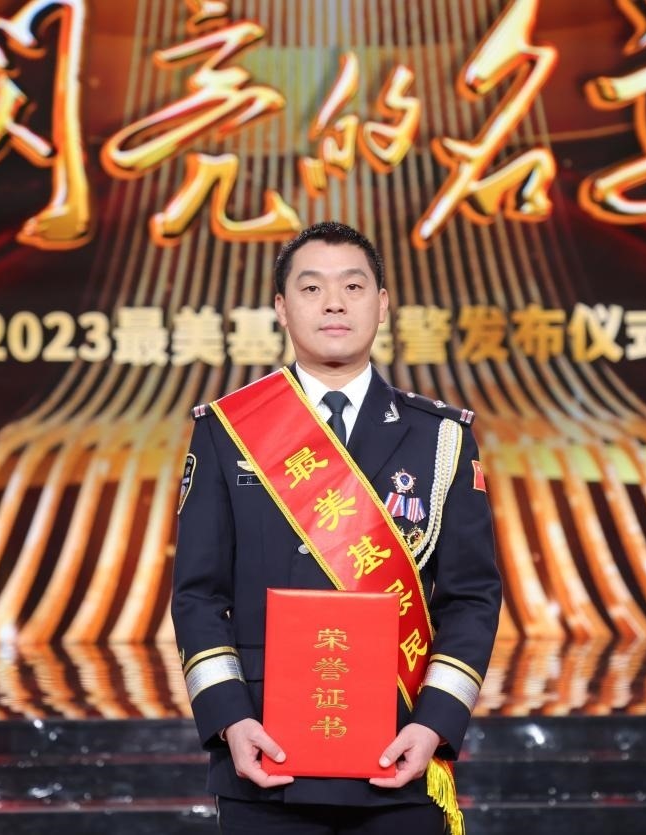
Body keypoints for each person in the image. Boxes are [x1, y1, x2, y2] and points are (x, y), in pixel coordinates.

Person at [171, 221, 501, 834]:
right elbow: (198, 595)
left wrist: (434, 724)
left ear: (382, 304)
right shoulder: (227, 432)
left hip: (400, 749)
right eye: (311, 287)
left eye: (353, 286)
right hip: (263, 752)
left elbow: (472, 597)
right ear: (281, 308)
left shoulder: (439, 438)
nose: (333, 303)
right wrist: (230, 719)